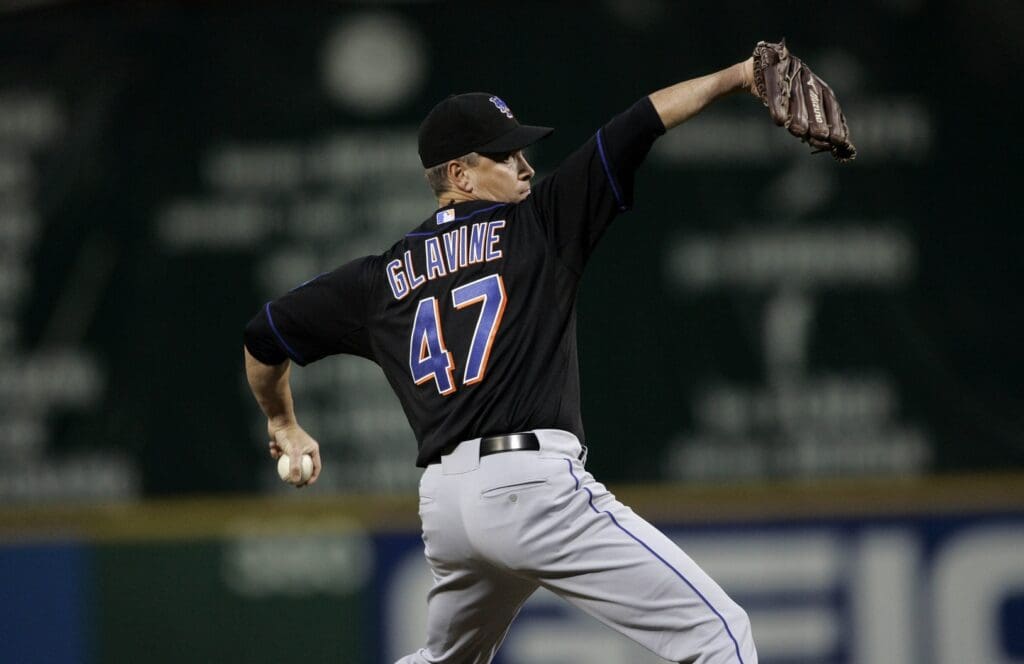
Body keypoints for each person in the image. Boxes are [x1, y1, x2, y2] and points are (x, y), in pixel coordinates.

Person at [244, 53, 763, 664]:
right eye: (507, 155)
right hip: (530, 486)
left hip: (447, 507)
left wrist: (282, 423)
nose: (526, 166)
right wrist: (738, 76)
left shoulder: (381, 278)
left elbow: (264, 334)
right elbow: (638, 122)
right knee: (719, 634)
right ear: (460, 176)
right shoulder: (536, 225)